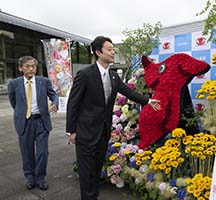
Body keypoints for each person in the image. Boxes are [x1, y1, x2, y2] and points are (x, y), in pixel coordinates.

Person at [66, 36, 160, 200]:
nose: (113, 52)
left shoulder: (114, 76)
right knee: (86, 173)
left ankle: (93, 196)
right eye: (109, 49)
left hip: (103, 133)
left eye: (113, 49)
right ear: (98, 52)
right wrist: (71, 130)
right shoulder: (85, 74)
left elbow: (128, 91)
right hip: (85, 132)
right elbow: (73, 103)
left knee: (95, 171)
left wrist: (148, 101)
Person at [7, 56, 59, 191]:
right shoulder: (14, 84)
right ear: (20, 68)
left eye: (33, 66)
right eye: (27, 66)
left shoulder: (44, 81)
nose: (31, 69)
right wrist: (22, 113)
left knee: (42, 152)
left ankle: (40, 178)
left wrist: (55, 103)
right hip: (24, 123)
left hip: (41, 122)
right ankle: (30, 178)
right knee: (27, 152)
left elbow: (53, 95)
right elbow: (14, 103)